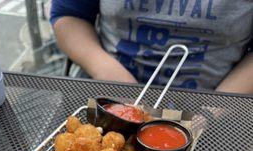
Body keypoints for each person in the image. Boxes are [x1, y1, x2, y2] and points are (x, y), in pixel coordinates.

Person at [50, 1, 253, 93]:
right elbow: (69, 15)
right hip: (109, 86)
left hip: (222, 96)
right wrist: (108, 72)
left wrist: (217, 107)